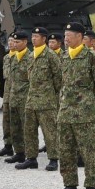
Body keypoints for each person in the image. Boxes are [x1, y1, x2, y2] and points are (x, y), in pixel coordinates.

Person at [51, 22, 95, 189]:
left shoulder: (92, 57)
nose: (65, 38)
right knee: (65, 150)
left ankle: (91, 187)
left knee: (88, 151)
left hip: (85, 113)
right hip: (66, 111)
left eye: (69, 35)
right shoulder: (65, 56)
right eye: (65, 35)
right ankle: (70, 186)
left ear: (81, 37)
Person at [18, 26, 62, 171]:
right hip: (31, 100)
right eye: (33, 36)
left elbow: (58, 78)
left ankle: (53, 159)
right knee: (29, 131)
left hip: (47, 100)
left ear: (44, 39)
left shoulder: (50, 55)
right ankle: (31, 158)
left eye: (37, 37)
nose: (33, 39)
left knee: (49, 131)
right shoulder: (31, 56)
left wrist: (51, 94)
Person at [4, 31, 32, 166]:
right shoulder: (12, 57)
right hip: (13, 97)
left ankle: (30, 155)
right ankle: (19, 153)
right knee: (15, 127)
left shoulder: (31, 57)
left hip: (25, 98)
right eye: (13, 42)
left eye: (17, 42)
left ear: (25, 42)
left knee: (26, 127)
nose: (14, 44)